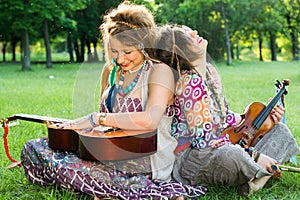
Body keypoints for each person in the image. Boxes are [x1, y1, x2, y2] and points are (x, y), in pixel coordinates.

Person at [20, 2, 206, 199]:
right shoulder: (110, 71)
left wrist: (97, 118)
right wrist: (72, 130)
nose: (120, 59)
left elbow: (149, 120)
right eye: (114, 51)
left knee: (66, 166)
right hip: (109, 156)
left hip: (147, 160)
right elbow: (106, 130)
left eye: (128, 52)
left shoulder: (159, 71)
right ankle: (115, 187)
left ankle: (150, 189)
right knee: (34, 148)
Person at [154, 24, 300, 196]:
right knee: (233, 154)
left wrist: (261, 118)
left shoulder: (209, 72)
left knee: (280, 130)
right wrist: (255, 156)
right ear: (180, 50)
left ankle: (256, 182)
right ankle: (257, 170)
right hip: (191, 159)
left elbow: (223, 116)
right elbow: (203, 141)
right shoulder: (188, 82)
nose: (195, 32)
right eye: (188, 35)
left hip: (215, 145)